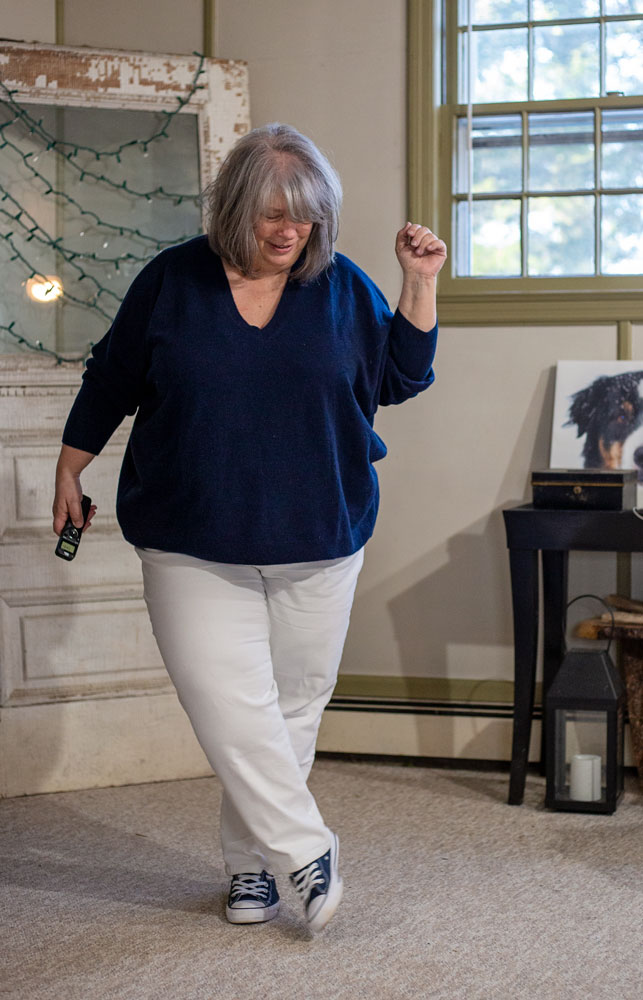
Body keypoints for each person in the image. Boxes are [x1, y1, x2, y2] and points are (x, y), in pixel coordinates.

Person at [52, 123, 446, 934]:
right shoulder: (172, 281)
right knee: (229, 704)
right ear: (233, 207)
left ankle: (251, 869)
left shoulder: (340, 286)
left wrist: (418, 282)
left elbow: (402, 376)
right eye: (271, 213)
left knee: (292, 708)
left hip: (320, 532)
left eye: (303, 216)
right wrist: (69, 467)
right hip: (189, 534)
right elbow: (112, 377)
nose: (287, 231)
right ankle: (304, 849)